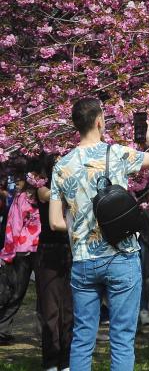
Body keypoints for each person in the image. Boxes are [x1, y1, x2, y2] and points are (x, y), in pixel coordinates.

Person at [50, 97, 149, 371]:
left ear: (76, 126)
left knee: (82, 337)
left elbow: (55, 221)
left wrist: (81, 227)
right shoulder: (116, 154)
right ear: (100, 121)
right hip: (121, 256)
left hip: (83, 260)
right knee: (122, 338)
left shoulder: (61, 166)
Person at [33, 155, 73, 371]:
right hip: (48, 253)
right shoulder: (43, 188)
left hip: (70, 252)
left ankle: (66, 362)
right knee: (50, 313)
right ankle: (50, 362)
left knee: (69, 311)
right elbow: (48, 195)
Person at [0, 162, 40, 346]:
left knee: (17, 291)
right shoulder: (28, 198)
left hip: (28, 250)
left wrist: (7, 253)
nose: (16, 182)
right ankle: (3, 329)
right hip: (28, 250)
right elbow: (13, 227)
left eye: (19, 178)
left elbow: (13, 228)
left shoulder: (24, 199)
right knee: (23, 291)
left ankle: (2, 328)